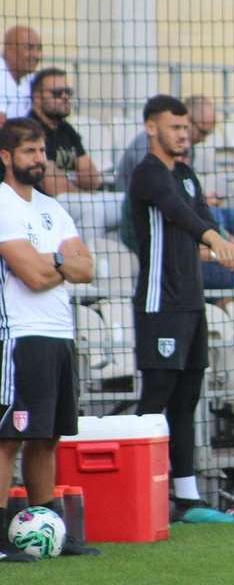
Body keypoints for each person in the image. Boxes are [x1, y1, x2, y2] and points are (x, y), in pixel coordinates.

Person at [129, 94, 234, 523]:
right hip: (160, 303)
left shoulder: (188, 174)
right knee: (157, 395)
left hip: (192, 302)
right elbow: (179, 215)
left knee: (188, 397)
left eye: (184, 127)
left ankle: (187, 497)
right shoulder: (148, 175)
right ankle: (138, 492)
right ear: (151, 129)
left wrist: (225, 246)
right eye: (174, 127)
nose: (182, 134)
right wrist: (214, 240)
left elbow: (202, 218)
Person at [0, 117, 97, 560]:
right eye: (29, 152)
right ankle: (1, 537)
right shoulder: (2, 203)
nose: (39, 160)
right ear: (6, 157)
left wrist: (52, 260)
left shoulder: (53, 208)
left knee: (48, 436)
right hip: (19, 335)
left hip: (59, 334)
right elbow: (34, 277)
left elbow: (87, 267)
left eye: (41, 151)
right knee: (8, 438)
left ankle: (50, 525)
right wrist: (60, 261)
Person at [118, 95, 234, 295]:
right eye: (179, 128)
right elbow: (170, 206)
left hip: (185, 229)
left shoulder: (184, 157)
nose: (197, 138)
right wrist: (217, 250)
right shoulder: (149, 159)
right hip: (157, 239)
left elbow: (187, 201)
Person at [26, 67, 122, 241]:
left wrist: (71, 182)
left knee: (124, 202)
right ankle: (91, 264)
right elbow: (54, 187)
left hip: (74, 199)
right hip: (43, 205)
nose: (65, 97)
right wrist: (79, 185)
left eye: (67, 92)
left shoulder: (66, 129)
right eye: (57, 93)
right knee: (93, 210)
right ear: (37, 98)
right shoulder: (31, 130)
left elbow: (93, 178)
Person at [0, 26, 42, 127]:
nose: (36, 55)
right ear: (9, 49)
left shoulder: (33, 80)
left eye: (39, 49)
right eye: (29, 48)